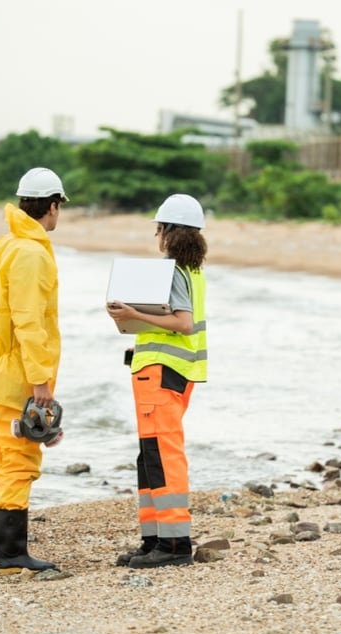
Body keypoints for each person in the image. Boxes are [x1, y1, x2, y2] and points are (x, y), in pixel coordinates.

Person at [0, 167, 66, 574]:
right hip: (15, 374)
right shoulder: (30, 253)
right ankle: (11, 553)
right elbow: (28, 321)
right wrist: (40, 380)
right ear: (53, 205)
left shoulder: (2, 245)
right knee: (19, 459)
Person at [106, 193, 208, 568]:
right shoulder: (191, 271)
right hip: (167, 373)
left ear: (166, 231)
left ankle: (175, 545)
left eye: (158, 229)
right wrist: (130, 321)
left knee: (163, 456)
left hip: (163, 376)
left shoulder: (174, 272)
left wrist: (133, 313)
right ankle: (154, 540)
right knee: (150, 459)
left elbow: (182, 323)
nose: (157, 236)